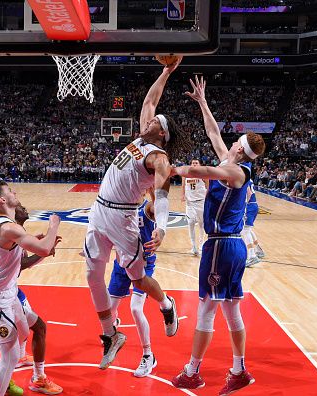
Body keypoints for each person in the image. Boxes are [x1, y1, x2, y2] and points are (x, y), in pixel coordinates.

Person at [83, 56, 195, 370]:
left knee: (140, 279)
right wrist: (166, 71)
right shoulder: (142, 138)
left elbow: (161, 192)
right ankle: (111, 336)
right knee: (92, 275)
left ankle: (166, 303)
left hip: (122, 218)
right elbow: (150, 99)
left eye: (154, 123)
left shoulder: (158, 158)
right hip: (99, 210)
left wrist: (161, 226)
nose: (147, 122)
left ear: (163, 134)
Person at [170, 76, 265, 394]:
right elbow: (213, 133)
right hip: (231, 246)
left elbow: (204, 172)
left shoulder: (236, 171)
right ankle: (239, 370)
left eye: (237, 142)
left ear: (241, 149)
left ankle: (192, 371)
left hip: (221, 246)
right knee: (231, 308)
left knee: (207, 309)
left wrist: (173, 168)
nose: (233, 141)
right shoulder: (233, 160)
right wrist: (202, 102)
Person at [0, 181, 61, 396]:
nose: (15, 193)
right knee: (10, 356)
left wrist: (40, 244)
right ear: (3, 200)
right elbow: (43, 249)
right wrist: (53, 226)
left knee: (33, 328)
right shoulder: (8, 227)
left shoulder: (5, 224)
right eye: (10, 191)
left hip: (8, 291)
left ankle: (19, 380)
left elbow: (24, 259)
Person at [108, 191, 158, 377]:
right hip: (121, 265)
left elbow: (158, 207)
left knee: (136, 309)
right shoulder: (118, 207)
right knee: (109, 310)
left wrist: (155, 191)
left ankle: (148, 355)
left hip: (143, 266)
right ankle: (113, 331)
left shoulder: (146, 208)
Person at [181, 159, 207, 256]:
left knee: (201, 224)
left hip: (201, 202)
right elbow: (183, 186)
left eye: (196, 163)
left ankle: (201, 245)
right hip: (190, 203)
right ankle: (193, 246)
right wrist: (182, 195)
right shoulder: (186, 174)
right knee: (190, 223)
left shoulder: (204, 174)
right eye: (193, 163)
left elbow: (208, 187)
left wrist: (207, 198)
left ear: (199, 164)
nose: (194, 164)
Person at [242, 181, 264, 267]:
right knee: (248, 229)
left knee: (245, 231)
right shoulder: (249, 179)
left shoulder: (244, 178)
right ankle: (258, 250)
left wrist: (244, 205)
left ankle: (252, 256)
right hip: (254, 205)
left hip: (249, 206)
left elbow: (249, 193)